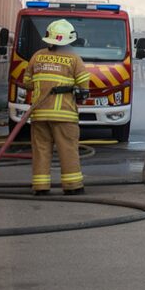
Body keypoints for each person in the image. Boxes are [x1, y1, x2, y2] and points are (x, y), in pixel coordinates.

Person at [23, 19, 90, 195]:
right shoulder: (73, 58)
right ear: (69, 40)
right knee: (67, 149)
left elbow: (27, 82)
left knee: (41, 150)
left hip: (39, 114)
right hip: (64, 115)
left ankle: (40, 187)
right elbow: (84, 86)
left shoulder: (37, 56)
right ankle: (73, 186)